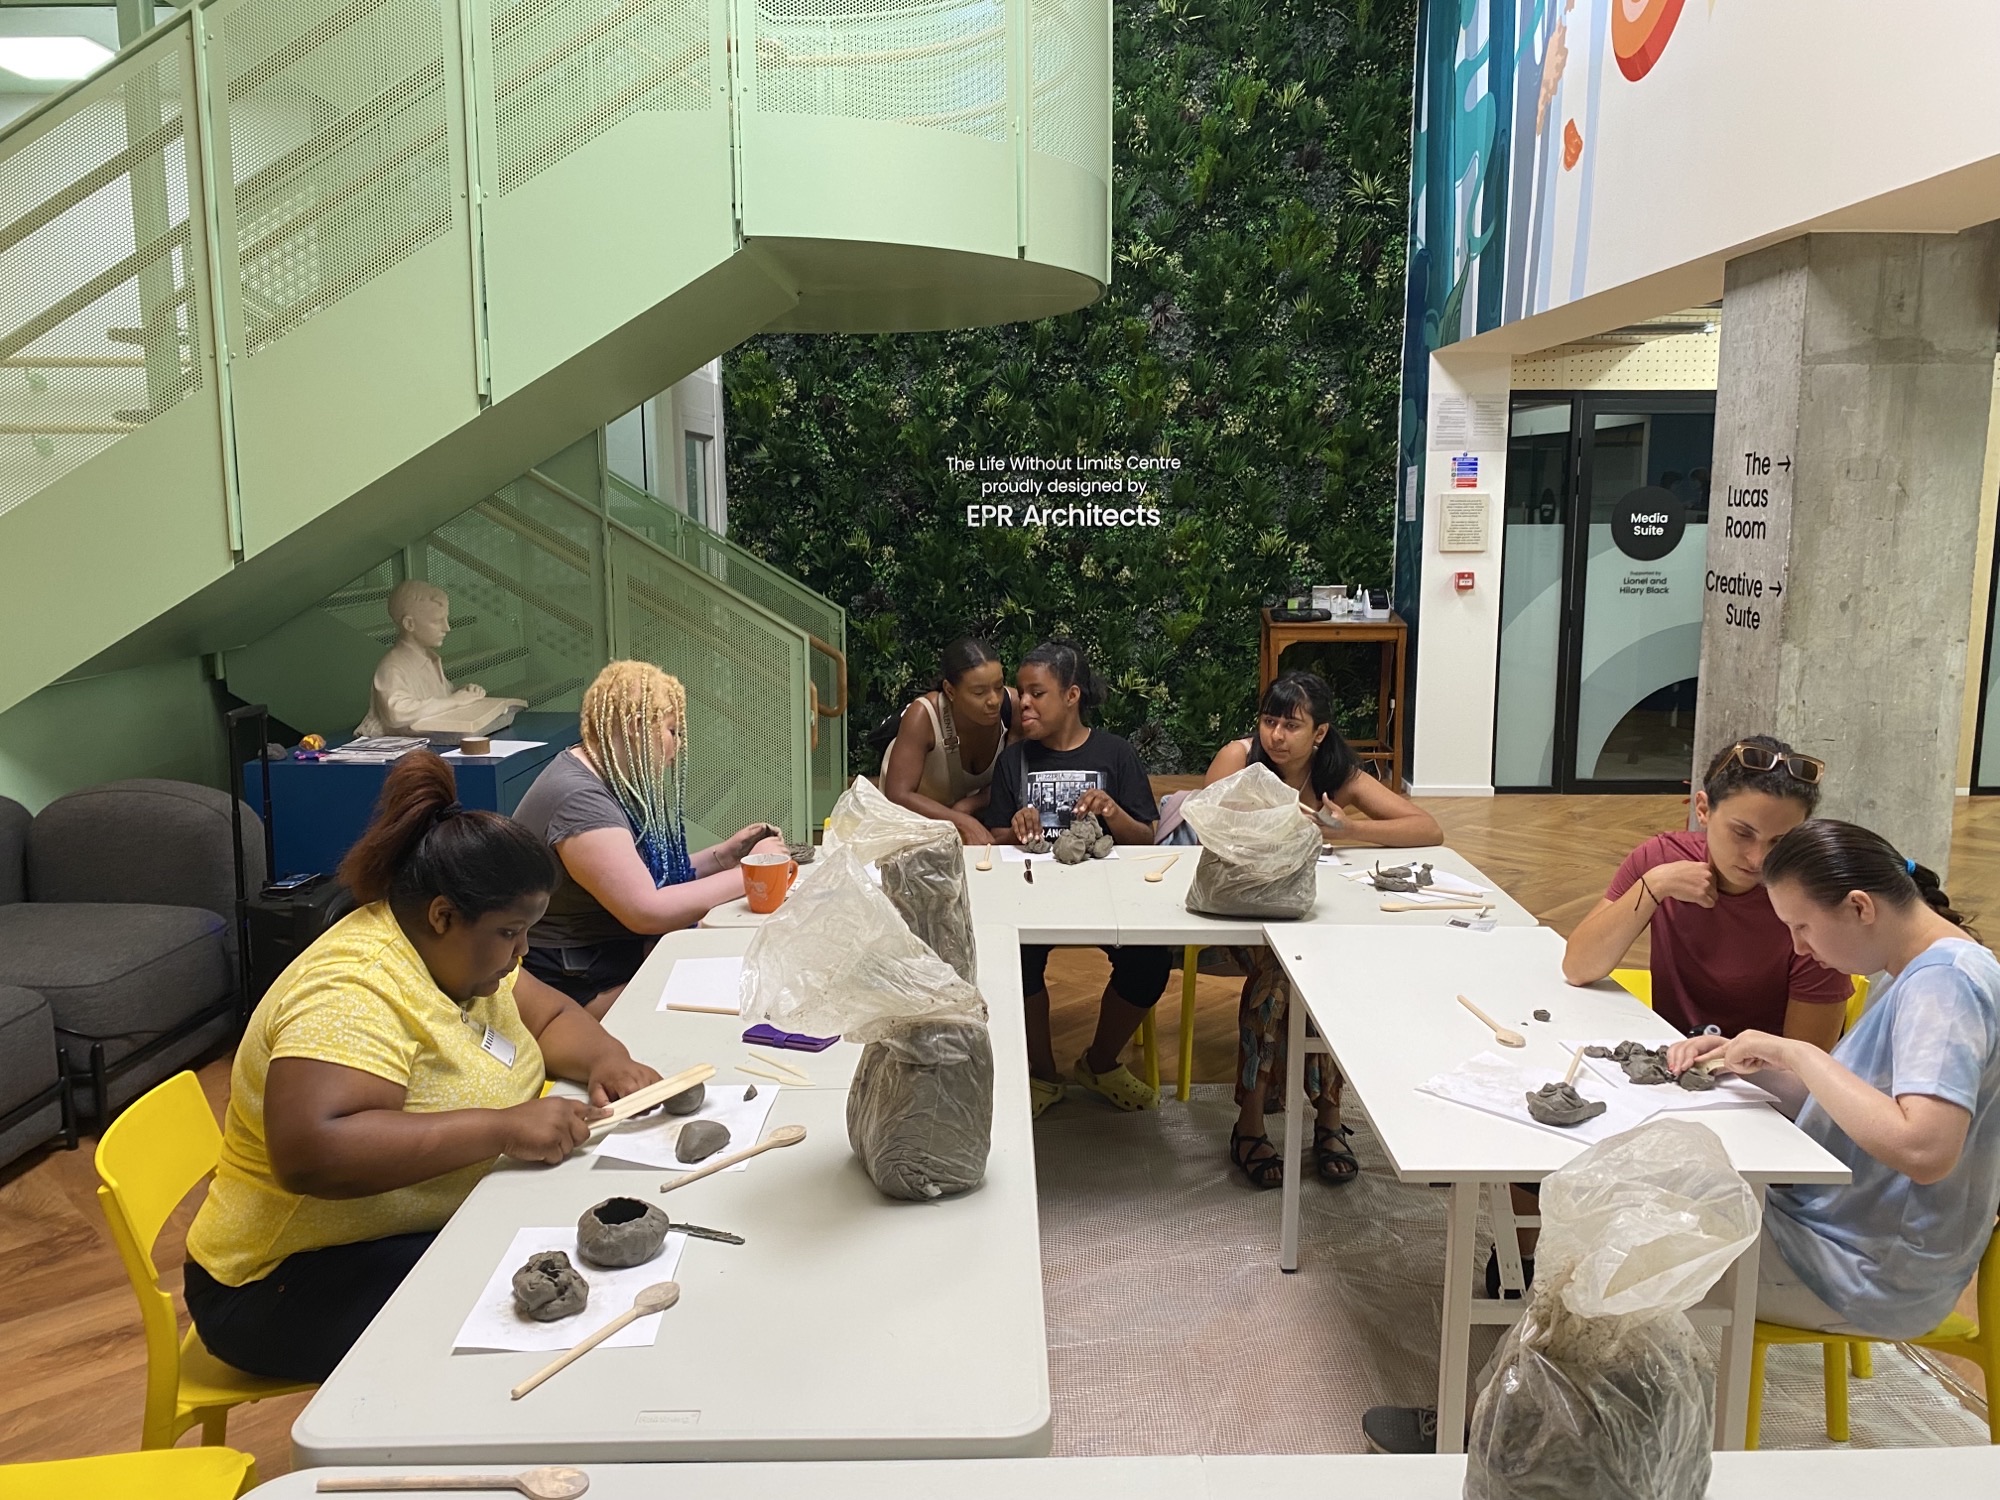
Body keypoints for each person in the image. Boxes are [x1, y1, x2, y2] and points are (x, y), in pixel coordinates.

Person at [182, 752, 661, 1383]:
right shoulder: (353, 989)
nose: (522, 952)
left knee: (581, 1264)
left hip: (406, 1231)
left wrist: (609, 1059)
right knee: (557, 1308)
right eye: (512, 932)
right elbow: (313, 1152)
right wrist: (503, 1127)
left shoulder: (463, 953)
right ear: (443, 915)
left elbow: (548, 1019)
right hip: (285, 1281)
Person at [1670, 820, 1999, 1341]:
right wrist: (1742, 1060)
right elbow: (1857, 1103)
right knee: (1645, 1205)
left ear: (1860, 906)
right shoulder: (1913, 967)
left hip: (1866, 1273)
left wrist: (1799, 1054)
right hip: (1836, 1240)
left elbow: (1925, 1150)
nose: (1799, 948)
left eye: (1802, 927)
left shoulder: (1945, 985)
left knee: (1626, 1250)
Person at [1201, 671, 1442, 1189]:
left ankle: (1322, 1117)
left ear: (1320, 733)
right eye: (1270, 722)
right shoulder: (1239, 760)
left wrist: (1349, 828)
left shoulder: (1337, 773)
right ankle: (1260, 1122)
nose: (1277, 737)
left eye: (1292, 725)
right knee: (1283, 975)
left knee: (1318, 973)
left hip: (1302, 914)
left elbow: (1428, 828)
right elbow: (1209, 831)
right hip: (1238, 917)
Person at [514, 661, 787, 1016]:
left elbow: (644, 880)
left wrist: (722, 857)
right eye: (673, 732)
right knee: (748, 991)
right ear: (635, 727)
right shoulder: (579, 800)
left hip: (599, 960)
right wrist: (752, 873)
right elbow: (647, 909)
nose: (677, 750)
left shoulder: (595, 775)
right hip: (579, 982)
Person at [983, 639, 1169, 1117]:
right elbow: (996, 836)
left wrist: (1112, 811)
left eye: (1036, 693)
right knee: (1013, 960)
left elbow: (1145, 839)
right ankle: (1043, 1073)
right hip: (1031, 899)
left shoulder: (1116, 754)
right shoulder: (1014, 760)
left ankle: (1100, 1063)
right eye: (1021, 693)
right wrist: (1016, 829)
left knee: (1150, 961)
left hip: (1106, 900)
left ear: (1072, 696)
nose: (1023, 703)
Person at [880, 636, 1020, 845]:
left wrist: (970, 805)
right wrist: (960, 820)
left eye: (999, 687)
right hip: (914, 829)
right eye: (979, 692)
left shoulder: (1013, 707)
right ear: (950, 690)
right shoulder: (923, 715)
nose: (994, 700)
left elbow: (1013, 777)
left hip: (976, 827)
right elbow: (898, 794)